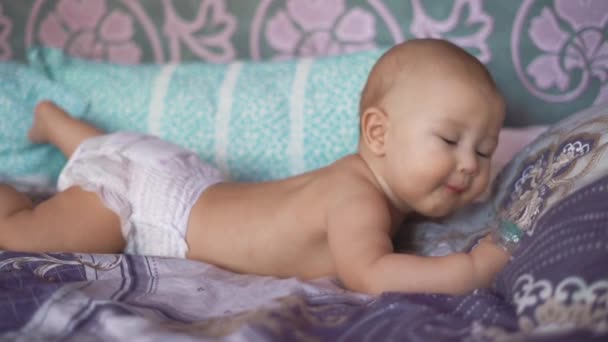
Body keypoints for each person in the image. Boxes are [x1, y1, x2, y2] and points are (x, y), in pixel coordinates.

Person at [0, 39, 511, 295]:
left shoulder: (358, 183)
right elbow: (369, 272)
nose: (469, 165)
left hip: (175, 173)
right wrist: (467, 269)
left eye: (485, 151)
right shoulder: (358, 199)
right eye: (450, 140)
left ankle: (55, 123)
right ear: (378, 133)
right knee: (24, 235)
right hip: (149, 211)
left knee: (114, 152)